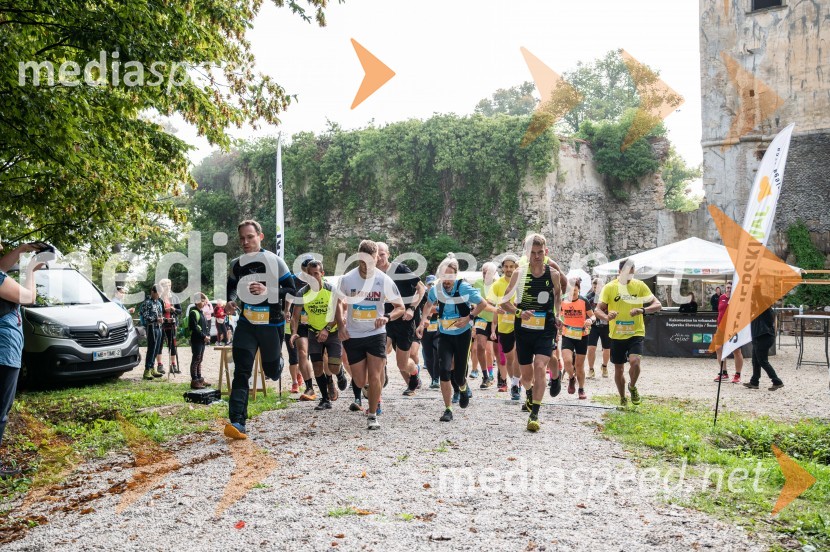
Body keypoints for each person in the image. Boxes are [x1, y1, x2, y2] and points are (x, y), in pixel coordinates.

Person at [224, 220, 296, 440]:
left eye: (250, 237)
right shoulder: (236, 264)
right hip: (247, 323)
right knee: (241, 371)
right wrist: (229, 302)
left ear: (260, 237)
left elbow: (292, 291)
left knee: (272, 370)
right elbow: (231, 289)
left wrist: (268, 290)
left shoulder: (274, 261)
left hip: (271, 324)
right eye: (242, 238)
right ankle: (237, 421)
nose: (245, 242)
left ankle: (278, 364)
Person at [335, 240, 404, 430]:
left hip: (376, 333)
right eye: (363, 262)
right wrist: (341, 325)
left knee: (375, 376)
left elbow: (400, 307)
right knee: (359, 380)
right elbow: (339, 303)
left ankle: (372, 414)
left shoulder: (383, 280)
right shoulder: (347, 279)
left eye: (371, 261)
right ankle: (370, 390)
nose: (367, 266)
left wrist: (387, 317)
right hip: (354, 334)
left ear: (376, 258)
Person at [499, 234, 563, 432]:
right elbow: (504, 303)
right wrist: (519, 312)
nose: (536, 257)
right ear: (527, 254)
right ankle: (528, 393)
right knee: (526, 377)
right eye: (533, 253)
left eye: (540, 253)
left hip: (545, 327)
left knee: (540, 365)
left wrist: (558, 314)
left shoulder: (553, 274)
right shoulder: (520, 273)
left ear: (546, 252)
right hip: (524, 329)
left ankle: (535, 413)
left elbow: (558, 295)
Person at [417, 254, 487, 423]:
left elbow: (482, 304)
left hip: (462, 335)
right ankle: (448, 408)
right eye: (443, 277)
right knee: (444, 370)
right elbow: (428, 304)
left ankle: (463, 388)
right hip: (445, 335)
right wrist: (422, 321)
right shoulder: (436, 289)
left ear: (455, 276)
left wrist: (469, 318)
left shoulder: (463, 288)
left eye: (449, 277)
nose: (446, 281)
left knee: (459, 376)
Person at [0, 240, 45, 477]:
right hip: (3, 351)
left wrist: (20, 250)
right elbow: (28, 297)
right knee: (0, 411)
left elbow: (1, 267)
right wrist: (31, 270)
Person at [595, 260, 662, 408]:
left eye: (631, 271)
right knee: (619, 369)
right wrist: (606, 317)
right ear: (619, 271)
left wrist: (642, 310)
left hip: (635, 333)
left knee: (635, 362)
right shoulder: (609, 288)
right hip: (616, 335)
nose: (629, 274)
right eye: (626, 271)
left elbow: (658, 305)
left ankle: (632, 386)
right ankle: (622, 397)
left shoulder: (639, 286)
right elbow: (597, 310)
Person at [290, 259, 347, 411]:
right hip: (313, 332)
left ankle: (339, 373)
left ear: (322, 274)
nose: (313, 277)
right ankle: (325, 399)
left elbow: (339, 315)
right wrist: (294, 333)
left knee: (333, 367)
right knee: (317, 367)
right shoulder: (302, 293)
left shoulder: (331, 290)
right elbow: (295, 316)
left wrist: (327, 329)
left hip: (332, 331)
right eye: (310, 275)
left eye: (316, 274)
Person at [376, 242, 425, 397]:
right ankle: (379, 380)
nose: (379, 258)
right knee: (380, 351)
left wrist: (412, 308)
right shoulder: (373, 273)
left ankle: (415, 372)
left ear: (388, 254)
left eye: (382, 254)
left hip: (404, 319)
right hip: (386, 320)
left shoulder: (400, 269)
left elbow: (421, 288)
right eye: (376, 254)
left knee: (402, 363)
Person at [490, 255, 520, 398]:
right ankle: (513, 382)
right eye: (506, 267)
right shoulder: (497, 285)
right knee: (509, 358)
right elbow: (490, 303)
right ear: (503, 268)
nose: (509, 269)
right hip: (504, 326)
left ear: (516, 268)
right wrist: (497, 309)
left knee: (519, 356)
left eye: (511, 266)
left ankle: (517, 383)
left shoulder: (521, 282)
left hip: (520, 325)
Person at [560, 277, 593, 400]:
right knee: (567, 361)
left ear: (579, 289)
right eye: (570, 290)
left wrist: (590, 320)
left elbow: (593, 316)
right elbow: (558, 315)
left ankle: (581, 388)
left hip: (582, 335)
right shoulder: (563, 301)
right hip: (567, 334)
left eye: (575, 290)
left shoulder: (584, 301)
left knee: (579, 366)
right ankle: (571, 378)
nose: (573, 292)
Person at [744, 290, 784, 391]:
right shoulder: (760, 310)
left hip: (763, 337)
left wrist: (756, 286)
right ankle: (754, 382)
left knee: (762, 361)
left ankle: (777, 381)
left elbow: (759, 298)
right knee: (755, 360)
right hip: (759, 337)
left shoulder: (766, 310)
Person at [472, 263, 499, 389]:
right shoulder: (477, 283)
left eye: (488, 272)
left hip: (495, 319)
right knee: (480, 347)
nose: (485, 275)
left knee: (493, 350)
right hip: (481, 318)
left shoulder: (498, 284)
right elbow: (474, 302)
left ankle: (496, 375)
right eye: (483, 272)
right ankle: (485, 375)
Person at [714, 283, 743, 383]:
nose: (729, 289)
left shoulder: (737, 298)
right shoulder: (721, 297)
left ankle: (737, 375)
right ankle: (724, 372)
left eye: (731, 288)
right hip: (720, 328)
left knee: (736, 351)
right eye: (727, 288)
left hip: (733, 328)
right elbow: (720, 311)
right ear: (725, 289)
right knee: (718, 348)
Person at [585, 278, 610, 379]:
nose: (596, 288)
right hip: (593, 326)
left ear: (603, 285)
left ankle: (604, 366)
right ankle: (591, 369)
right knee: (591, 348)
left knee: (607, 349)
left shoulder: (607, 296)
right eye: (594, 286)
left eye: (598, 286)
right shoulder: (588, 297)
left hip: (606, 325)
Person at [156, 278, 182, 375]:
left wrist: (173, 309)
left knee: (173, 345)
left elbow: (180, 311)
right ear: (161, 287)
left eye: (169, 285)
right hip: (161, 324)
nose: (168, 287)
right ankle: (159, 365)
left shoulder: (174, 297)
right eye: (165, 285)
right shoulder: (159, 298)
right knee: (160, 344)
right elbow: (156, 311)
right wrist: (165, 310)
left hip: (172, 324)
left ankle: (173, 365)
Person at [139, 285, 165, 380]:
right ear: (153, 292)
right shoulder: (147, 303)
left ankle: (152, 368)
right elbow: (145, 317)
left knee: (157, 349)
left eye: (160, 294)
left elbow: (161, 314)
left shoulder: (158, 303)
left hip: (159, 327)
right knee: (151, 349)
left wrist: (164, 319)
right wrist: (156, 319)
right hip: (151, 328)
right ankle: (147, 370)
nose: (159, 295)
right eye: (158, 293)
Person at [420, 275, 441, 388]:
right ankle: (433, 378)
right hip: (425, 328)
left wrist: (431, 312)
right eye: (429, 284)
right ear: (426, 285)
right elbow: (423, 309)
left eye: (433, 284)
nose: (431, 286)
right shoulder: (422, 296)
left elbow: (435, 308)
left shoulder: (439, 294)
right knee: (428, 355)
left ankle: (437, 378)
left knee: (437, 350)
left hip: (437, 327)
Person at [188, 293, 211, 389]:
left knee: (200, 359)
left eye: (205, 300)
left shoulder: (201, 312)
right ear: (197, 302)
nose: (205, 302)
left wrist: (207, 336)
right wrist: (203, 336)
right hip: (196, 340)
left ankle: (200, 379)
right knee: (196, 359)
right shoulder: (193, 312)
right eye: (202, 300)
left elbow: (205, 327)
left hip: (202, 340)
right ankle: (194, 380)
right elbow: (194, 328)